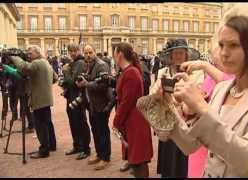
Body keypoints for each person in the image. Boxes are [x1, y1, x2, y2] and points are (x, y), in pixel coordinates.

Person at [151, 15, 248, 177]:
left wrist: (200, 106)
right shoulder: (222, 89)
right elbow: (190, 144)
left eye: (233, 45)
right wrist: (162, 105)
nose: (224, 53)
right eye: (221, 45)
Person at [151, 38, 204, 178]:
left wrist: (179, 101)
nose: (179, 56)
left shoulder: (196, 74)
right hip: (168, 122)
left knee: (183, 164)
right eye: (176, 53)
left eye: (182, 53)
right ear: (170, 55)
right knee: (169, 163)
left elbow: (199, 98)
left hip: (187, 126)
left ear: (187, 55)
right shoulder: (162, 72)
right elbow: (153, 96)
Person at [182, 47, 233, 178]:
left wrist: (204, 66)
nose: (213, 65)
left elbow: (229, 83)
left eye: (216, 63)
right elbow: (191, 109)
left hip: (217, 141)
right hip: (201, 140)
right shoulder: (210, 78)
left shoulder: (233, 79)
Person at [112, 42, 153, 178]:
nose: (113, 56)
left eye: (114, 53)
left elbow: (126, 102)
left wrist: (116, 121)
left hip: (135, 121)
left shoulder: (131, 73)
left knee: (139, 161)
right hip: (133, 120)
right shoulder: (130, 71)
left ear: (120, 55)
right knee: (136, 161)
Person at [11, 45, 57, 159]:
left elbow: (24, 68)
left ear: (37, 53)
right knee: (47, 123)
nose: (28, 55)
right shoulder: (46, 62)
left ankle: (44, 150)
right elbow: (55, 78)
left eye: (30, 53)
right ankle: (51, 145)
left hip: (39, 99)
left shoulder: (37, 63)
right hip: (46, 98)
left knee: (40, 125)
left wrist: (14, 57)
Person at [76, 44, 112, 170]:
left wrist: (87, 84)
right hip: (92, 104)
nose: (88, 55)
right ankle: (99, 154)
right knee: (95, 130)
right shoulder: (88, 65)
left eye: (90, 52)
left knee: (102, 131)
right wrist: (82, 83)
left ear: (95, 52)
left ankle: (106, 157)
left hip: (102, 104)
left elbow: (104, 86)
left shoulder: (101, 65)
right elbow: (90, 80)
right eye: (86, 53)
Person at [62, 44, 91, 160]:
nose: (73, 53)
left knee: (80, 123)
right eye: (70, 51)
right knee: (73, 123)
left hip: (78, 97)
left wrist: (66, 72)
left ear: (79, 51)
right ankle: (77, 145)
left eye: (75, 51)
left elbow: (74, 82)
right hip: (71, 96)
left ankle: (85, 148)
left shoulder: (80, 63)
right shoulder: (73, 62)